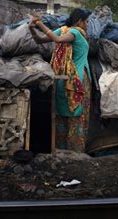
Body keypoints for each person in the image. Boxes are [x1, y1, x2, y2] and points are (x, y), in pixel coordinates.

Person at [28, 9, 91, 152]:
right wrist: (38, 23)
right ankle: (75, 152)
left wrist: (32, 29)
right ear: (80, 21)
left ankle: (60, 150)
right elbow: (56, 40)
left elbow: (39, 40)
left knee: (61, 115)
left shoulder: (63, 30)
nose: (87, 25)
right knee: (77, 116)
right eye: (86, 22)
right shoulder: (76, 33)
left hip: (62, 80)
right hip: (77, 81)